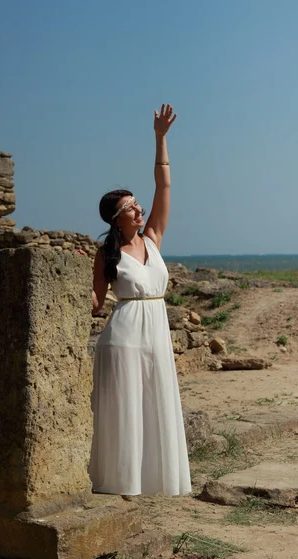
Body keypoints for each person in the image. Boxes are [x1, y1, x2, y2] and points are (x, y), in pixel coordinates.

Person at [89, 103, 191, 499]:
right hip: (124, 335)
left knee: (155, 404)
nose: (139, 207)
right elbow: (96, 303)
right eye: (131, 205)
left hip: (157, 331)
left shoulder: (152, 239)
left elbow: (163, 187)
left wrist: (160, 138)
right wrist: (73, 277)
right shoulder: (106, 254)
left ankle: (151, 482)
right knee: (125, 411)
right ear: (118, 217)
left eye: (137, 202)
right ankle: (121, 485)